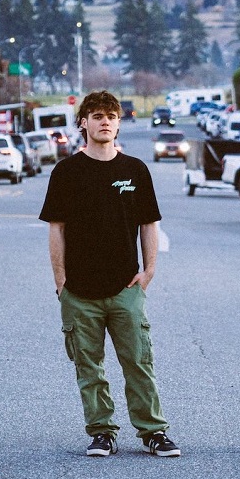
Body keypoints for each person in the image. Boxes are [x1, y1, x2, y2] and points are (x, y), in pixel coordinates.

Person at [39, 90, 180, 459]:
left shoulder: (134, 170)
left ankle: (153, 432)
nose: (105, 121)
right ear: (83, 122)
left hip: (125, 287)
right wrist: (60, 281)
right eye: (97, 115)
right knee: (89, 366)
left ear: (118, 123)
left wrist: (149, 271)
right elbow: (57, 228)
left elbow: (149, 223)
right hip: (79, 290)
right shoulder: (67, 171)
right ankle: (102, 431)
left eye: (111, 116)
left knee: (138, 361)